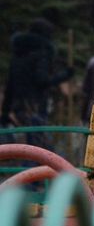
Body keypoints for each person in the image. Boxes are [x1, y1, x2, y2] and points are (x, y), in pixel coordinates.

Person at [1, 18, 73, 146]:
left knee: (25, 146)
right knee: (38, 148)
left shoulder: (17, 55)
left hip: (18, 108)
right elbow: (42, 81)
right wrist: (65, 75)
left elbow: (10, 86)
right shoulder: (41, 54)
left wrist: (5, 112)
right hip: (36, 106)